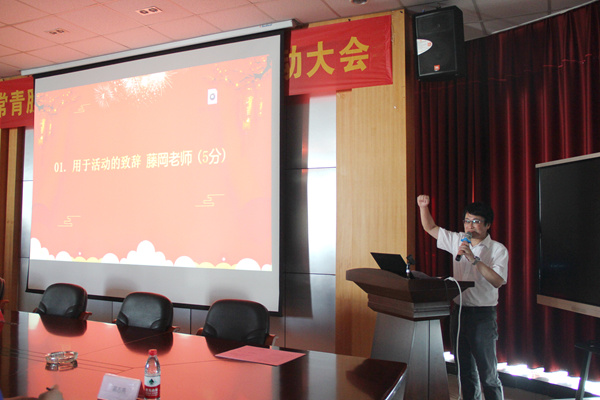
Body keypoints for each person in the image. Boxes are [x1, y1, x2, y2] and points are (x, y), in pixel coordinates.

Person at [417, 194, 508, 400]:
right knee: (465, 370)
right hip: (459, 312)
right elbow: (430, 228)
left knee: (488, 373)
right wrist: (423, 207)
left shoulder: (498, 249)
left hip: (482, 315)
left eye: (476, 221)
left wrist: (474, 259)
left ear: (488, 225)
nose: (470, 226)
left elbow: (497, 280)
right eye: (467, 221)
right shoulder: (458, 239)